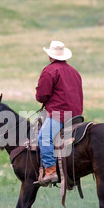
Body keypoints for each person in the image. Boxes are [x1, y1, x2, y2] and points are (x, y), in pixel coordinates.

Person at [35, 40, 83, 186]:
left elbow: (42, 96)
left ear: (50, 56)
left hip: (60, 115)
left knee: (44, 137)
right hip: (76, 116)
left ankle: (50, 171)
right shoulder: (74, 71)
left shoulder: (50, 71)